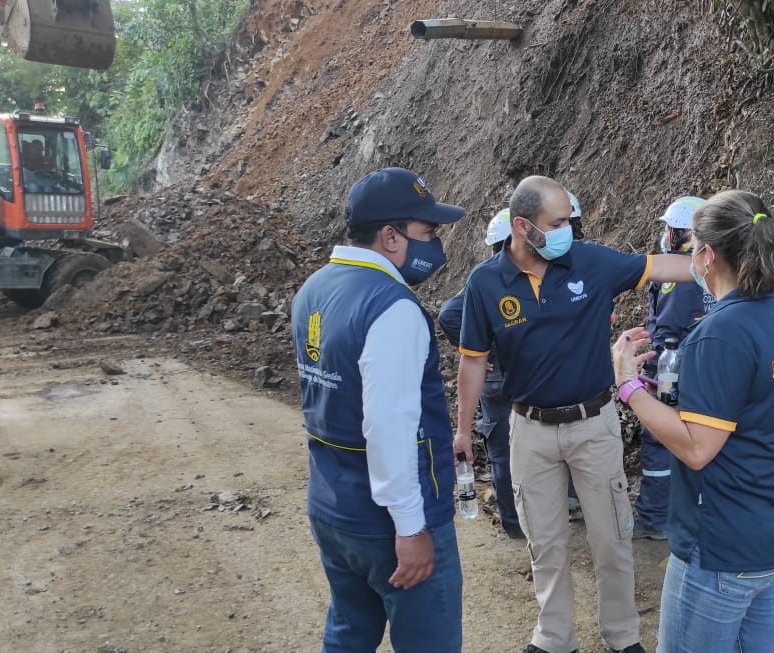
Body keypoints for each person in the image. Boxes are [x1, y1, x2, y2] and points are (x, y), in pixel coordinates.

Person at [454, 175, 697, 653]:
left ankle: (622, 636)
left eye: (569, 219)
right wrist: (463, 429)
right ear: (524, 227)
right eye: (558, 222)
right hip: (529, 431)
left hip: (594, 424)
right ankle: (553, 638)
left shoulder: (589, 261)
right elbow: (472, 359)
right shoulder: (485, 284)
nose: (569, 230)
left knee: (612, 540)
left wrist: (733, 264)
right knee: (545, 545)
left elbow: (666, 265)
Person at [611, 189, 774, 652]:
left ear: (705, 255)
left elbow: (697, 448)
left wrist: (628, 386)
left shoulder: (717, 337)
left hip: (725, 542)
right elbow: (756, 408)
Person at [291, 167, 465, 653]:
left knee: (349, 633)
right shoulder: (393, 308)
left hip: (331, 507)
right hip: (387, 525)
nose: (436, 245)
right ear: (391, 236)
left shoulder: (314, 290)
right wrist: (411, 527)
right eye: (428, 232)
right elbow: (388, 427)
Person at [439, 208, 524, 539]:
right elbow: (449, 314)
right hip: (515, 377)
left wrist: (478, 349)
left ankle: (514, 523)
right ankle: (533, 516)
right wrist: (479, 352)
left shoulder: (486, 278)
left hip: (494, 381)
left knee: (502, 452)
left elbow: (450, 315)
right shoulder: (520, 276)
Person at [634, 196, 715, 541]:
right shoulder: (712, 269)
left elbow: (666, 331)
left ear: (680, 233)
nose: (665, 234)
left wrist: (655, 382)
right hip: (703, 368)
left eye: (669, 228)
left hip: (674, 368)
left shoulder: (676, 277)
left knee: (659, 442)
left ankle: (653, 518)